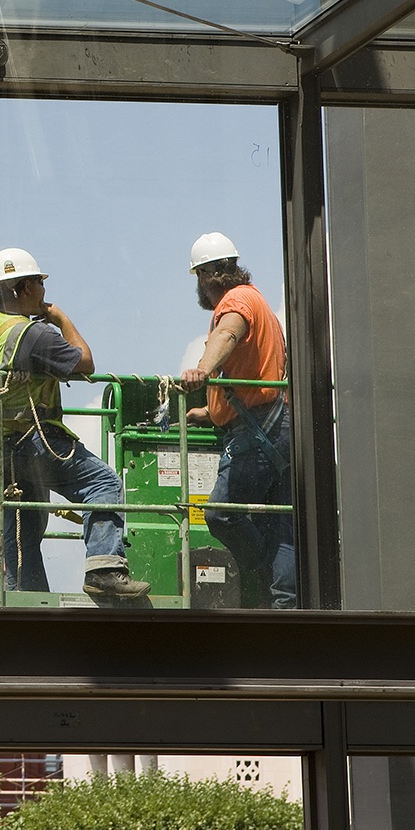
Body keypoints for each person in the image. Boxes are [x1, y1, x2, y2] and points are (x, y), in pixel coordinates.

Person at [0, 248, 150, 602]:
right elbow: (86, 363)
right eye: (40, 283)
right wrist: (60, 318)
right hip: (34, 444)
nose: (44, 291)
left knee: (21, 519)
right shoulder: (34, 335)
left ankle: (23, 595)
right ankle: (104, 570)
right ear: (25, 287)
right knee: (103, 483)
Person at [180, 233, 295, 609]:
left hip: (259, 430)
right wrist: (210, 412)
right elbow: (253, 372)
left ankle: (260, 571)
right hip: (276, 425)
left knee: (221, 513)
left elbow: (229, 332)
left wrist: (201, 370)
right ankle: (284, 604)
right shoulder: (258, 301)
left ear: (203, 276)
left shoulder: (236, 301)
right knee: (280, 525)